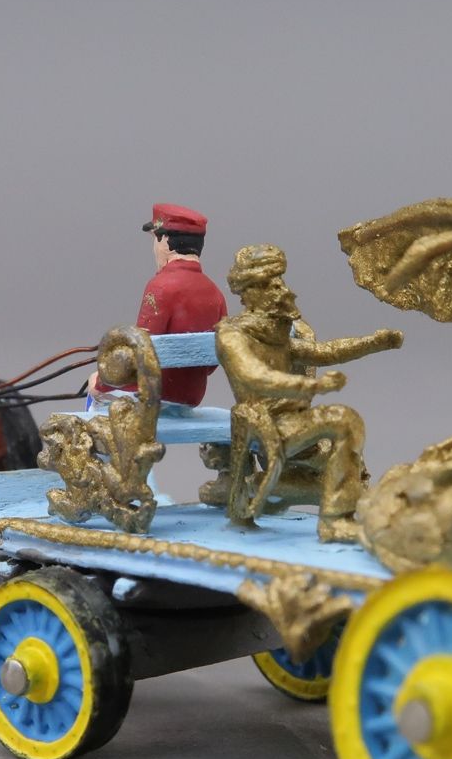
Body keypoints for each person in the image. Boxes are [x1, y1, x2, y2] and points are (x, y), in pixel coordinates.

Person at [215, 245, 402, 541]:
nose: (281, 290)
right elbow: (254, 374)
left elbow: (324, 352)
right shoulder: (232, 335)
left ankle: (271, 491)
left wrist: (375, 342)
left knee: (346, 458)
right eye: (270, 284)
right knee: (344, 421)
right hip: (267, 424)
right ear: (249, 292)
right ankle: (334, 521)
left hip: (293, 421)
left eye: (280, 281)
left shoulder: (276, 335)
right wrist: (311, 386)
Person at [88, 203, 227, 408]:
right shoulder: (215, 292)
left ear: (165, 241)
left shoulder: (160, 287)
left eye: (155, 239)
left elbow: (142, 352)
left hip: (155, 394)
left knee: (94, 388)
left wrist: (102, 382)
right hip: (193, 396)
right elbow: (212, 364)